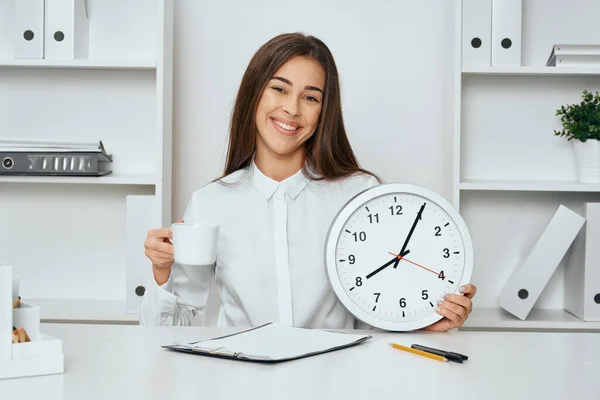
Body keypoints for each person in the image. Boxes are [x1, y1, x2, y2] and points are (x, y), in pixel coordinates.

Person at [140, 32, 476, 331]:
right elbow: (173, 328)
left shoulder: (360, 197)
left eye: (310, 97)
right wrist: (161, 273)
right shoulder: (210, 203)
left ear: (323, 112)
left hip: (338, 380)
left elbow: (379, 306)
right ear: (254, 94)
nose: (292, 109)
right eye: (279, 89)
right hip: (242, 381)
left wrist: (423, 321)